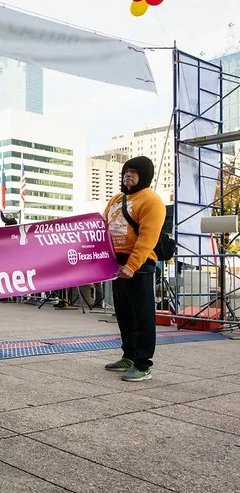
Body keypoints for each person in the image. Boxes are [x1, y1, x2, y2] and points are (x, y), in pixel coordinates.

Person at [102, 156, 165, 382]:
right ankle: (128, 356)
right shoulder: (116, 199)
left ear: (145, 175)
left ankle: (143, 364)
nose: (128, 175)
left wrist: (132, 265)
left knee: (142, 316)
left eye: (134, 172)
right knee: (124, 315)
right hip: (116, 264)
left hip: (138, 265)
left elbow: (148, 238)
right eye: (126, 171)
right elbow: (101, 228)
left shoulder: (151, 200)